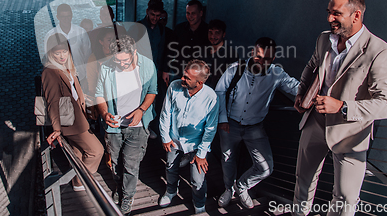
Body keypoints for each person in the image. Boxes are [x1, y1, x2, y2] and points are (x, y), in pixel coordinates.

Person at [292, 0, 387, 216]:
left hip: (351, 134)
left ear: (356, 15)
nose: (330, 18)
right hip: (315, 123)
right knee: (303, 183)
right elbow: (312, 66)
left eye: (336, 13)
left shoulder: (381, 52)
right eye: (329, 12)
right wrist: (301, 93)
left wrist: (342, 106)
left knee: (345, 200)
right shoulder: (323, 39)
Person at [215, 37, 299, 209]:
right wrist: (222, 119)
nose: (262, 61)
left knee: (266, 167)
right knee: (227, 159)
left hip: (255, 128)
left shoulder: (276, 74)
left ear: (273, 59)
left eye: (267, 58)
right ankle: (228, 189)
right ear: (252, 53)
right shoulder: (235, 69)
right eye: (259, 56)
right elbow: (219, 92)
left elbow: (296, 87)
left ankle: (242, 186)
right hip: (230, 124)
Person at [95, 35, 157, 215]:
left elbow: (152, 91)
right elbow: (99, 94)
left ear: (134, 52)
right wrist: (104, 112)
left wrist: (141, 110)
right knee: (114, 162)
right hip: (114, 126)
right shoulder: (106, 67)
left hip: (137, 128)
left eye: (125, 60)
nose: (121, 64)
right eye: (117, 60)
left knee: (131, 164)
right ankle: (119, 186)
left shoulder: (147, 66)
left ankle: (127, 196)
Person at [42, 33, 104, 191]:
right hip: (70, 121)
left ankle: (77, 183)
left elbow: (74, 92)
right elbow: (52, 102)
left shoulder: (67, 66)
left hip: (78, 116)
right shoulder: (50, 72)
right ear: (50, 53)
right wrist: (56, 128)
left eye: (64, 51)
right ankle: (80, 179)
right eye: (57, 53)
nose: (62, 56)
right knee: (96, 151)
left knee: (77, 153)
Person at [159, 59, 219, 214]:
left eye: (187, 78)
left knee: (197, 179)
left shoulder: (211, 97)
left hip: (196, 144)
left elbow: (210, 128)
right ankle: (171, 191)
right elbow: (166, 113)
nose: (182, 79)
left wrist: (201, 153)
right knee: (170, 168)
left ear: (199, 83)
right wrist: (165, 137)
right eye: (184, 75)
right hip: (174, 139)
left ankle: (199, 204)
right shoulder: (174, 86)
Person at [129, 0, 170, 138]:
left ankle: (148, 126)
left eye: (158, 15)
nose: (155, 18)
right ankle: (137, 124)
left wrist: (163, 69)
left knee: (153, 98)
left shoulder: (161, 28)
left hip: (155, 71)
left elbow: (163, 49)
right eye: (153, 14)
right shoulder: (137, 27)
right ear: (147, 12)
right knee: (137, 96)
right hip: (138, 70)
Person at [44, 4, 92, 88]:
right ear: (58, 17)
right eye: (63, 17)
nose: (66, 19)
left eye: (68, 16)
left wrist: (87, 76)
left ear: (72, 15)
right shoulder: (50, 35)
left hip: (80, 76)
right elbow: (48, 58)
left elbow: (87, 55)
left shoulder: (81, 32)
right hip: (60, 78)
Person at [164, 0, 210, 84]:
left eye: (193, 13)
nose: (190, 16)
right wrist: (165, 70)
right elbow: (170, 50)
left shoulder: (208, 31)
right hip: (178, 73)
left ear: (201, 13)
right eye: (188, 13)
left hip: (197, 77)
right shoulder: (179, 29)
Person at [204, 19, 238, 89]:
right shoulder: (202, 50)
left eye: (217, 33)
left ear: (223, 34)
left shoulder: (231, 54)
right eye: (210, 32)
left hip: (220, 91)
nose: (213, 36)